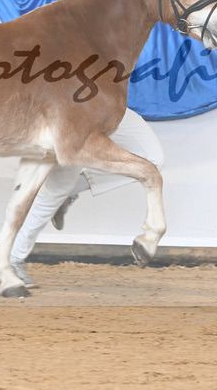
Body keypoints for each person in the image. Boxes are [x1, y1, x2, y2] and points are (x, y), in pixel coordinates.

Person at [9, 108, 164, 288]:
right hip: (71, 115)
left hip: (111, 105)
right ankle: (13, 259)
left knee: (152, 160)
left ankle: (70, 190)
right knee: (56, 191)